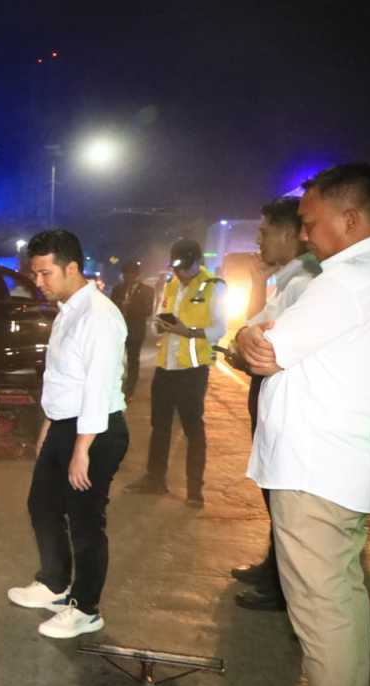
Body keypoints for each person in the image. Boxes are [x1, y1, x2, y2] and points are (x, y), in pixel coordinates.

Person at [235, 163, 370, 686]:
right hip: (345, 462)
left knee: (322, 610)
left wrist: (250, 332)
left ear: (350, 219)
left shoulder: (347, 279)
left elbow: (263, 349)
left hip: (315, 468)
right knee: (342, 604)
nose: (305, 235)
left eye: (311, 222)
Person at [7, 230, 128, 639]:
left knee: (85, 523)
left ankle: (86, 607)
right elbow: (62, 379)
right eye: (34, 273)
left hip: (95, 431)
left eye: (44, 273)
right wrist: (48, 424)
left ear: (71, 268)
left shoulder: (98, 314)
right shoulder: (68, 310)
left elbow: (96, 388)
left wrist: (82, 450)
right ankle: (55, 583)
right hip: (65, 425)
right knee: (42, 504)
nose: (37, 282)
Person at [225, 198, 321, 612]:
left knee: (282, 494)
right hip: (269, 394)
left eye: (264, 232)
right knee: (272, 491)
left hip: (290, 404)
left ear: (289, 233)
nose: (258, 239)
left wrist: (250, 341)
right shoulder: (287, 280)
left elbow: (264, 344)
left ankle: (283, 586)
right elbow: (249, 328)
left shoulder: (304, 284)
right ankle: (273, 568)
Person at [125, 238, 227, 507]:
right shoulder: (170, 285)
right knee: (160, 426)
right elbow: (159, 318)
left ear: (198, 262)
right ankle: (154, 479)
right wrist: (159, 325)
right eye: (176, 268)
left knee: (194, 429)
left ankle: (195, 489)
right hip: (165, 367)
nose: (179, 273)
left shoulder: (212, 287)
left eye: (184, 268)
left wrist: (188, 332)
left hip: (192, 370)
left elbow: (220, 329)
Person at [109, 261, 154, 400]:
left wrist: (130, 306)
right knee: (114, 358)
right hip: (118, 329)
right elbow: (111, 306)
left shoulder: (147, 290)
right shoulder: (118, 289)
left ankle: (130, 389)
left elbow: (148, 311)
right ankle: (113, 386)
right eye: (125, 275)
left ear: (136, 275)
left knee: (133, 359)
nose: (127, 277)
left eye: (129, 275)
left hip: (136, 330)